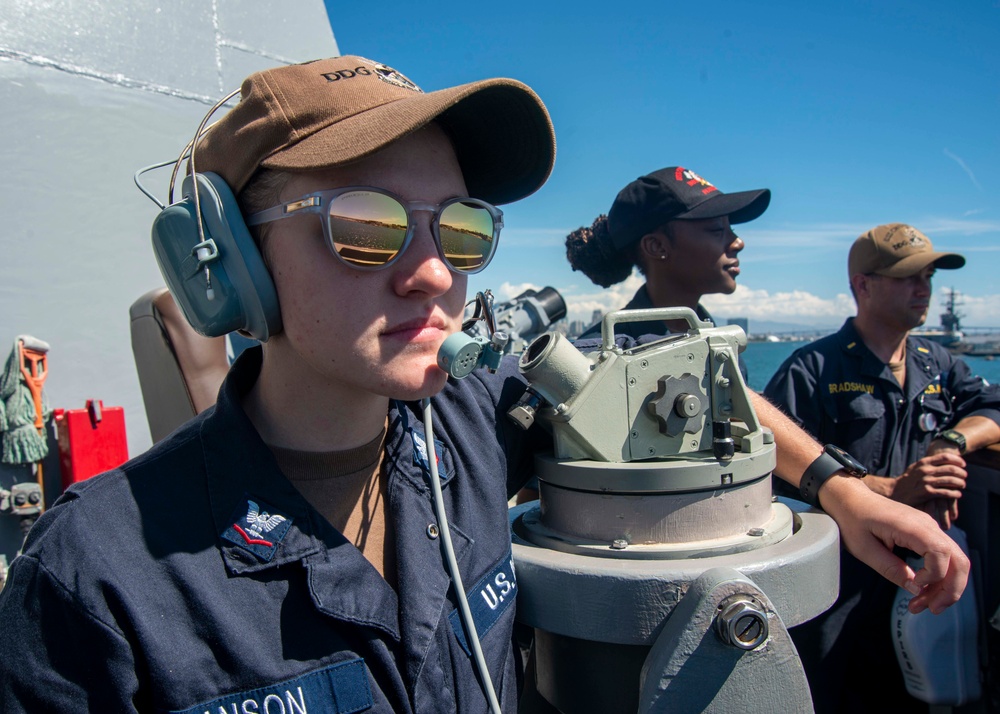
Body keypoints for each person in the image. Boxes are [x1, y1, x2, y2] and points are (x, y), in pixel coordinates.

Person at [0, 55, 969, 713]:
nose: (432, 272)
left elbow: (672, 387)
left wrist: (843, 493)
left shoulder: (467, 418)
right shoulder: (99, 578)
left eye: (459, 230)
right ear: (223, 264)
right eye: (367, 225)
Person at [763, 222, 1000, 713]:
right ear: (863, 286)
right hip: (838, 586)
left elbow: (992, 407)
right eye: (908, 276)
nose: (924, 288)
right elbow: (774, 473)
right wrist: (888, 490)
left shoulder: (938, 364)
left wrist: (950, 442)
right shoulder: (812, 371)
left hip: (917, 581)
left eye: (929, 276)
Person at [567, 166, 769, 340]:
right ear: (657, 247)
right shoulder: (597, 357)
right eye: (717, 230)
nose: (738, 243)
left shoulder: (721, 343)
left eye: (731, 229)